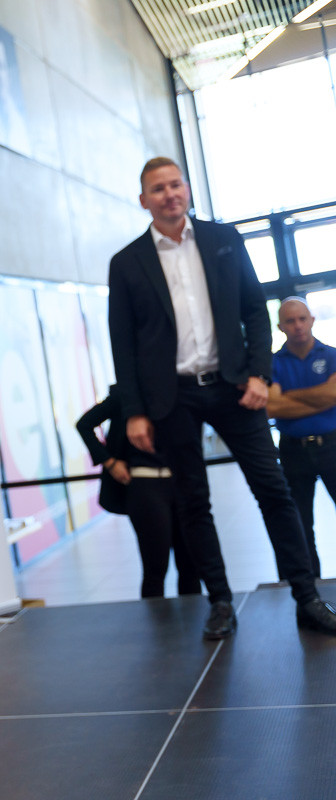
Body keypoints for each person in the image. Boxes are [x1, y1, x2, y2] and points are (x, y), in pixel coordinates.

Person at [108, 156, 336, 640]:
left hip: (235, 388)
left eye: (176, 184)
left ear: (187, 189)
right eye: (158, 188)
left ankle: (307, 596)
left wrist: (259, 374)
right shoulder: (126, 263)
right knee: (193, 502)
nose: (170, 194)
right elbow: (122, 344)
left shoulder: (224, 239)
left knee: (273, 491)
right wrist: (134, 413)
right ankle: (220, 603)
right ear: (144, 200)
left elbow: (255, 308)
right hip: (172, 397)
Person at [76, 388, 201, 598]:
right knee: (155, 568)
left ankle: (194, 616)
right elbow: (84, 425)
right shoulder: (126, 395)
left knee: (191, 565)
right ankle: (155, 618)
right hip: (145, 484)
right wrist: (110, 462)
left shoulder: (179, 389)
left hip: (182, 481)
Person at [268, 296, 336, 578]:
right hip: (293, 451)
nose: (297, 325)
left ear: (312, 320)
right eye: (290, 321)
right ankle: (309, 589)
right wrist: (323, 397)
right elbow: (271, 406)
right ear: (280, 326)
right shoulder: (272, 363)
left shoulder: (331, 355)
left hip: (332, 445)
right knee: (298, 524)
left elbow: (334, 394)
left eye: (302, 319)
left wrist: (288, 397)